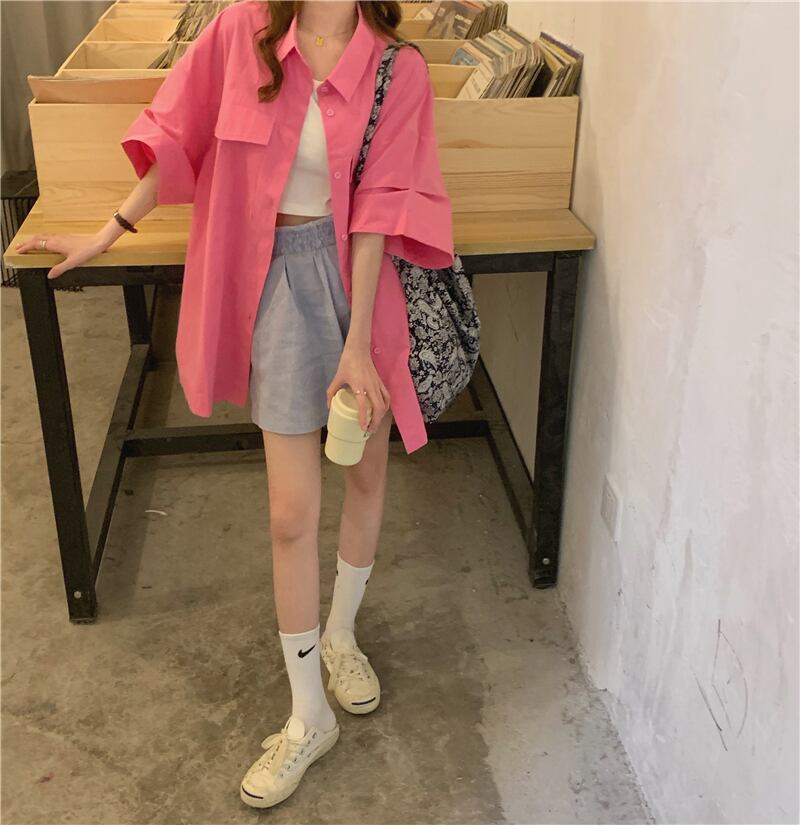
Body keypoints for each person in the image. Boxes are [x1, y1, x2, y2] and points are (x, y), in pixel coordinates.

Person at [15, 0, 454, 809]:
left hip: (358, 290)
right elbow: (180, 139)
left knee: (364, 473)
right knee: (290, 512)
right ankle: (308, 712)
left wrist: (359, 342)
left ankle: (342, 634)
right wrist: (107, 231)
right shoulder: (241, 31)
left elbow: (381, 211)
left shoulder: (399, 68)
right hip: (276, 283)